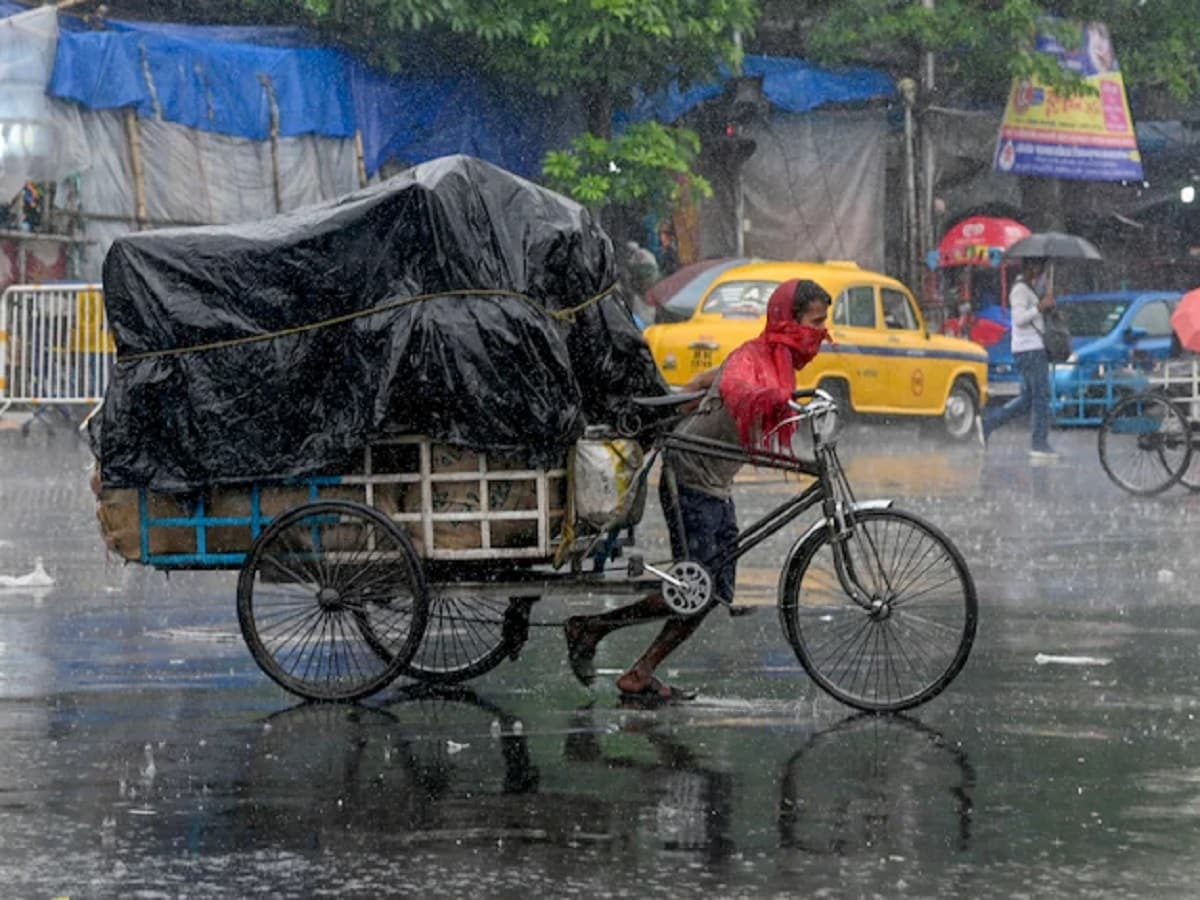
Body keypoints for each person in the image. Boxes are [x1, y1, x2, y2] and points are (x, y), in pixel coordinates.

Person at [563, 279, 832, 701]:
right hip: (690, 476)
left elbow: (706, 381)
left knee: (713, 591)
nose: (822, 333)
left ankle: (637, 672)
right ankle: (591, 628)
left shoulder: (775, 363)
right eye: (815, 323)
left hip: (715, 482)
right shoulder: (753, 359)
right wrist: (765, 399)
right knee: (695, 588)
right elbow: (737, 383)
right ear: (787, 320)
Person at [981, 256, 1058, 457]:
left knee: (1027, 399)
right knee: (1041, 396)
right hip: (1029, 349)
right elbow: (1019, 319)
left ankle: (988, 423)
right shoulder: (1020, 290)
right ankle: (1039, 443)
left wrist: (1046, 305)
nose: (1041, 272)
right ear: (1030, 266)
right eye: (1040, 267)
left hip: (1034, 348)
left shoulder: (1031, 289)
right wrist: (1039, 307)